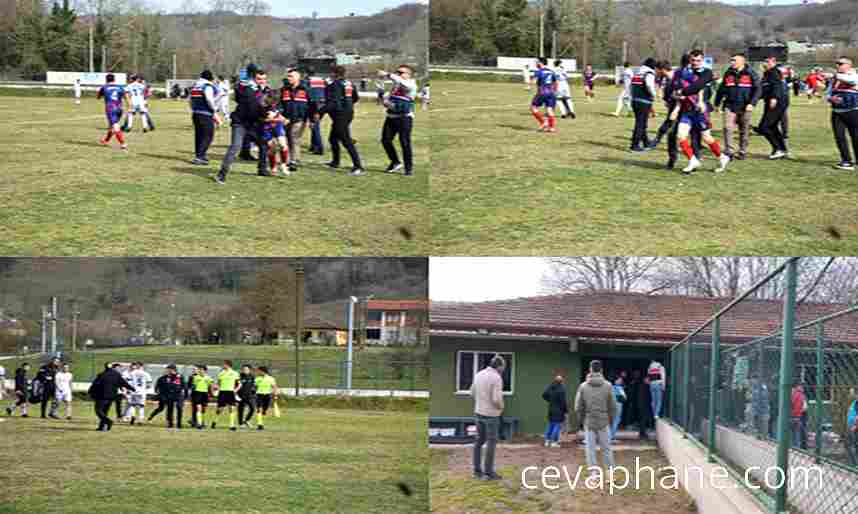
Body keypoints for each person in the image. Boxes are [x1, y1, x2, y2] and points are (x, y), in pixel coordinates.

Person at [673, 49, 731, 174]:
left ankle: (722, 157)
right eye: (693, 60)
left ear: (702, 60)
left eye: (698, 60)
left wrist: (682, 92)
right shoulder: (684, 72)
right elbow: (675, 90)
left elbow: (698, 86)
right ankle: (693, 160)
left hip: (700, 111)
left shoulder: (707, 72)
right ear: (689, 60)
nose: (695, 63)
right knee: (681, 135)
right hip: (687, 110)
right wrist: (677, 100)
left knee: (706, 137)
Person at [216, 65, 272, 183]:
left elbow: (268, 105)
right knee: (235, 146)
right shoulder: (248, 89)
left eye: (263, 79)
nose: (262, 81)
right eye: (259, 79)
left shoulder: (266, 91)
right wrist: (264, 115)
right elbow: (251, 106)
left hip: (254, 124)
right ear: (253, 79)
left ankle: (262, 169)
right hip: (240, 123)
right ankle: (222, 173)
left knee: (263, 144)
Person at [715, 53, 761, 161]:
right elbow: (721, 89)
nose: (732, 62)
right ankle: (729, 151)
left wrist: (752, 103)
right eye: (731, 60)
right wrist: (717, 103)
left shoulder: (751, 73)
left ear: (742, 62)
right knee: (727, 127)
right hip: (729, 105)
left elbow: (758, 89)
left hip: (745, 106)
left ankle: (742, 150)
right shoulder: (728, 73)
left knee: (744, 129)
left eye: (734, 60)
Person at [575, 360, 616, 474]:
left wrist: (582, 420)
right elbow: (613, 406)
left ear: (590, 370)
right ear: (601, 370)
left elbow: (578, 407)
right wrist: (610, 420)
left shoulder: (583, 386)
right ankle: (609, 473)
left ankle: (594, 475)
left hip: (589, 421)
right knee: (606, 448)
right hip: (604, 421)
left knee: (590, 450)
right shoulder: (608, 386)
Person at [323, 65, 364, 176]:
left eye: (331, 73)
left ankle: (358, 166)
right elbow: (355, 98)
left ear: (334, 74)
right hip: (348, 113)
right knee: (332, 139)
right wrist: (348, 105)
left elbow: (332, 103)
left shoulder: (335, 85)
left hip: (340, 115)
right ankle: (335, 162)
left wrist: (320, 112)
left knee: (346, 141)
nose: (329, 75)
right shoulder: (349, 84)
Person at [471, 355, 505, 481]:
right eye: (503, 367)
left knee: (479, 441)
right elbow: (496, 399)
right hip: (491, 415)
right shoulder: (496, 378)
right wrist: (501, 407)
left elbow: (472, 392)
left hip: (478, 412)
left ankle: (476, 470)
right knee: (491, 442)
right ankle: (489, 472)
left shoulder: (478, 374)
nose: (503, 369)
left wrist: (481, 402)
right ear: (499, 366)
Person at [379, 65, 418, 176]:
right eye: (397, 72)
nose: (398, 74)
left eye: (401, 72)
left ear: (408, 74)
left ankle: (408, 168)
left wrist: (388, 74)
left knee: (404, 142)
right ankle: (395, 162)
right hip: (391, 117)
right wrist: (385, 100)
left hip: (404, 118)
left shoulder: (411, 84)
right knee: (385, 140)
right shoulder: (396, 85)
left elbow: (404, 85)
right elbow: (389, 99)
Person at [824, 57, 858, 170]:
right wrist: (831, 98)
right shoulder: (836, 79)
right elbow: (828, 93)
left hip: (852, 111)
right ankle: (846, 161)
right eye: (837, 63)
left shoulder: (854, 75)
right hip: (836, 112)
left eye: (841, 63)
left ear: (849, 65)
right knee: (839, 137)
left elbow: (851, 81)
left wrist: (833, 75)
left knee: (855, 136)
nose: (838, 65)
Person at [757, 55, 790, 160]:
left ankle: (778, 149)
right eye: (764, 61)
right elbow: (764, 89)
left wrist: (774, 98)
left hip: (777, 102)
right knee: (773, 127)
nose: (765, 63)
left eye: (768, 61)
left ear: (773, 62)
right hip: (770, 102)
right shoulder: (766, 74)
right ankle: (782, 149)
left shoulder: (774, 72)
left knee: (764, 127)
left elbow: (777, 85)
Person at [89, 362, 135, 432]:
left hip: (102, 396)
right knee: (105, 412)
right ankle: (101, 427)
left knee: (98, 411)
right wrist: (132, 388)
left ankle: (108, 421)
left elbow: (95, 385)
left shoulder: (101, 374)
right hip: (112, 397)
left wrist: (90, 392)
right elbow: (124, 383)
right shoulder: (117, 375)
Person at [280, 69, 310, 173]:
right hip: (286, 119)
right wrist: (281, 116)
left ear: (298, 77)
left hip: (299, 119)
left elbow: (311, 105)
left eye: (291, 76)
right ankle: (287, 160)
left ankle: (294, 161)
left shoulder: (305, 89)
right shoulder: (284, 90)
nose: (289, 78)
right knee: (286, 139)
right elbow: (279, 104)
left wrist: (311, 118)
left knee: (294, 138)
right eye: (288, 76)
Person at [190, 70, 222, 166]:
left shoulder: (196, 86)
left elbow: (190, 100)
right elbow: (209, 99)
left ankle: (200, 155)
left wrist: (193, 109)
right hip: (205, 114)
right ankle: (200, 157)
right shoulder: (207, 86)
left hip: (196, 113)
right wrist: (214, 109)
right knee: (208, 136)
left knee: (199, 136)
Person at [629, 58, 658, 151]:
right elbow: (649, 85)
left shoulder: (637, 73)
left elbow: (631, 86)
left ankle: (646, 142)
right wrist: (654, 94)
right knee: (641, 124)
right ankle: (634, 145)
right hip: (644, 101)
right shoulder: (649, 74)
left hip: (635, 100)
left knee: (641, 123)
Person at [96, 73, 130, 150]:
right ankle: (105, 140)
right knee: (112, 126)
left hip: (111, 109)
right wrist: (129, 106)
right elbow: (126, 97)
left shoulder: (104, 87)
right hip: (119, 109)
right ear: (114, 80)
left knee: (115, 126)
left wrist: (100, 92)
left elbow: (98, 97)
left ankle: (123, 143)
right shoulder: (120, 87)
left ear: (106, 80)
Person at [258, 97, 290, 176]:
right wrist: (275, 120)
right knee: (272, 149)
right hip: (267, 130)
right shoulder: (262, 109)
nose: (273, 104)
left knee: (283, 145)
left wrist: (284, 119)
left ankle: (283, 165)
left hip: (278, 128)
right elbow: (262, 120)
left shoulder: (277, 108)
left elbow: (279, 115)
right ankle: (273, 167)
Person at [147, 364, 186, 428]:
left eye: (168, 369)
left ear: (173, 369)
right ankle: (170, 423)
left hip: (178, 395)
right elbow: (157, 387)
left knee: (179, 407)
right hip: (167, 395)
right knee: (168, 409)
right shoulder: (163, 378)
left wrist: (185, 395)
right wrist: (160, 394)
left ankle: (179, 423)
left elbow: (184, 386)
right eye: (167, 369)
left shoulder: (180, 377)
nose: (167, 370)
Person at [530, 57, 558, 133]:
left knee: (533, 107)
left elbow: (534, 81)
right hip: (551, 93)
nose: (536, 64)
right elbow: (555, 82)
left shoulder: (539, 71)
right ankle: (552, 127)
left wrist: (529, 84)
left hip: (542, 92)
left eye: (537, 62)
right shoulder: (551, 71)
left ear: (540, 63)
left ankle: (543, 122)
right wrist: (555, 91)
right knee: (549, 110)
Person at [212, 360, 241, 431]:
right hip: (222, 392)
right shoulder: (221, 373)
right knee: (220, 409)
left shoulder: (235, 373)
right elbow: (218, 384)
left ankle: (232, 425)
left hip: (230, 392)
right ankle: (214, 421)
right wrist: (216, 388)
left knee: (232, 408)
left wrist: (235, 390)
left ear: (228, 365)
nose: (223, 365)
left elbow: (239, 384)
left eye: (224, 364)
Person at [541, 375, 567, 448]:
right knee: (557, 426)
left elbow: (544, 395)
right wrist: (565, 411)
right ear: (561, 381)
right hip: (559, 410)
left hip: (551, 409)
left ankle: (547, 441)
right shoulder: (562, 389)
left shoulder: (551, 387)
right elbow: (563, 402)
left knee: (550, 425)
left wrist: (550, 400)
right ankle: (554, 442)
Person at [307, 68, 328, 155]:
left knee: (315, 126)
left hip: (314, 105)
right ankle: (313, 145)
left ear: (307, 73)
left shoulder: (308, 81)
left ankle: (319, 148)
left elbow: (308, 94)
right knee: (315, 125)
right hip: (323, 104)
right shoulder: (322, 80)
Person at [254, 366, 279, 431]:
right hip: (259, 395)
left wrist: (275, 395)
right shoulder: (257, 379)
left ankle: (263, 414)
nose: (258, 372)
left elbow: (274, 387)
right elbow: (254, 387)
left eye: (259, 371)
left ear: (263, 371)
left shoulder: (271, 379)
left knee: (264, 410)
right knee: (259, 409)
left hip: (267, 395)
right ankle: (260, 424)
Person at [188, 365, 213, 429]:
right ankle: (199, 424)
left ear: (205, 371)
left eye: (201, 370)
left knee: (203, 410)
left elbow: (210, 387)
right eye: (199, 370)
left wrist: (211, 394)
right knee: (198, 408)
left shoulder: (209, 378)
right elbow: (192, 386)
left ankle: (202, 422)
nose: (200, 371)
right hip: (197, 394)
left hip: (205, 394)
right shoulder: (195, 377)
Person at [237, 364, 256, 428]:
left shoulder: (252, 377)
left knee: (253, 408)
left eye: (246, 369)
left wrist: (254, 390)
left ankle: (247, 420)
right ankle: (240, 424)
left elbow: (254, 385)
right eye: (243, 369)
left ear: (249, 370)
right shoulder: (239, 376)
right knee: (241, 410)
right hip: (241, 396)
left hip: (250, 396)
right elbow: (236, 385)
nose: (244, 370)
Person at [790, 384, 808, 450]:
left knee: (796, 434)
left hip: (796, 416)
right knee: (797, 434)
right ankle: (799, 448)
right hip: (799, 416)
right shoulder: (800, 394)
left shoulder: (795, 393)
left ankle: (796, 448)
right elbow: (803, 407)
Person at [610, 376, 626, 443]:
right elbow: (624, 397)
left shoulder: (610, 387)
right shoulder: (619, 388)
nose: (620, 381)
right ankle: (611, 437)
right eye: (619, 380)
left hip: (611, 405)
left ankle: (609, 436)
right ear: (615, 381)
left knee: (612, 421)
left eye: (621, 380)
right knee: (616, 420)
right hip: (618, 405)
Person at [846, 388, 858, 466]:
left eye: (852, 392)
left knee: (854, 446)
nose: (850, 394)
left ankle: (855, 464)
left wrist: (855, 426)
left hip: (855, 428)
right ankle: (853, 464)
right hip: (851, 427)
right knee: (851, 445)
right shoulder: (855, 402)